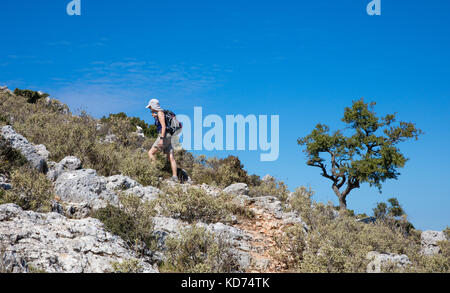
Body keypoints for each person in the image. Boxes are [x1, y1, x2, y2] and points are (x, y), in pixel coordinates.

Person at [146, 99, 179, 182]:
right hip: (169, 136)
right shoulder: (162, 113)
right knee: (171, 156)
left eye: (150, 107)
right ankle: (175, 177)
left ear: (153, 106)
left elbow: (163, 127)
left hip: (163, 136)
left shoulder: (160, 113)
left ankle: (155, 173)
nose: (150, 108)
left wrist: (161, 139)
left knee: (150, 153)